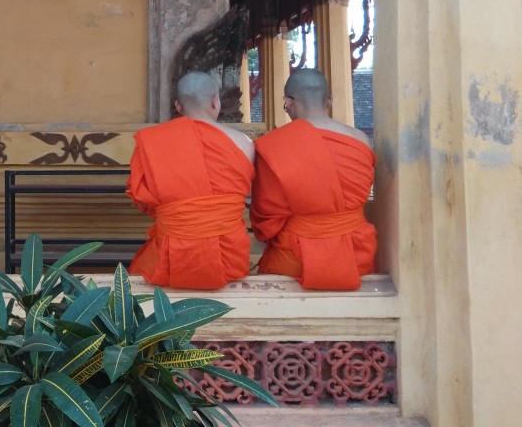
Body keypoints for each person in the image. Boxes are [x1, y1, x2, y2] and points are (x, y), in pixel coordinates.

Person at [127, 71, 256, 289]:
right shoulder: (244, 143)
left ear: (178, 106)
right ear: (216, 101)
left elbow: (142, 199)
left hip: (170, 256)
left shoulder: (153, 141)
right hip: (228, 257)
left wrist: (180, 215)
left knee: (142, 269)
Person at [251, 68, 376, 290]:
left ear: (288, 102)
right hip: (354, 253)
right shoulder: (361, 141)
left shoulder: (275, 144)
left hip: (295, 259)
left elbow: (267, 216)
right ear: (329, 100)